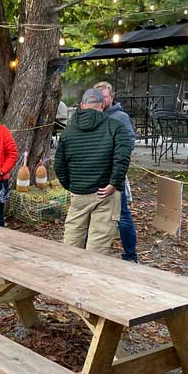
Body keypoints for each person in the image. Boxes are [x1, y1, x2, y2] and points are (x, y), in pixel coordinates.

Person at [54, 88, 133, 255]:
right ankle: (89, 278)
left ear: (82, 105)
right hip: (105, 193)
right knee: (98, 245)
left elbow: (59, 164)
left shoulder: (68, 130)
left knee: (72, 239)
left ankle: (67, 274)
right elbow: (122, 158)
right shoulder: (116, 127)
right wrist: (114, 184)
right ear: (103, 104)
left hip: (79, 193)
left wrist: (72, 186)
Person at [94, 81, 138, 262]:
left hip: (114, 174)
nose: (102, 100)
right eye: (99, 97)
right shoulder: (94, 116)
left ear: (111, 97)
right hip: (96, 174)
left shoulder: (120, 117)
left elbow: (129, 144)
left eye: (105, 96)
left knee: (122, 215)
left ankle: (130, 255)